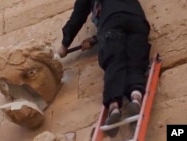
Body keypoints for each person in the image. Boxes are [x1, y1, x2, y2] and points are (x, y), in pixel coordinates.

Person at [56, 0, 151, 137]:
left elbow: (78, 15)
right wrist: (95, 39)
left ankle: (114, 108)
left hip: (111, 22)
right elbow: (120, 13)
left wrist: (64, 45)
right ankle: (136, 97)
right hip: (137, 20)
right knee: (135, 60)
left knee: (114, 60)